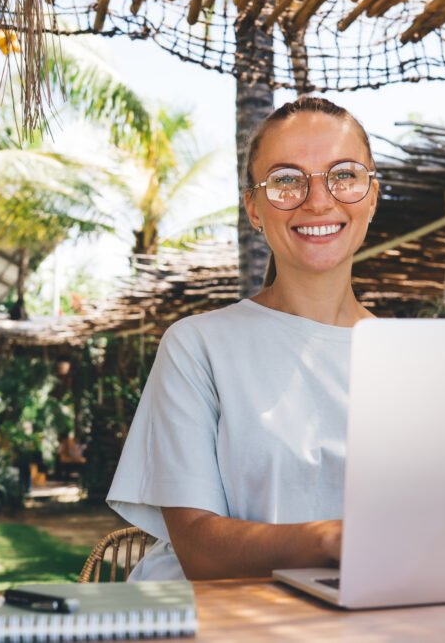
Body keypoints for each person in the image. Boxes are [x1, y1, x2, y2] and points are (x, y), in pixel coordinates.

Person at [107, 96, 379, 580]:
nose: (319, 200)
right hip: (217, 620)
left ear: (372, 195)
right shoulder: (198, 346)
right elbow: (198, 547)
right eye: (286, 181)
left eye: (344, 175)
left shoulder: (410, 359)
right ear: (254, 208)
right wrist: (335, 539)